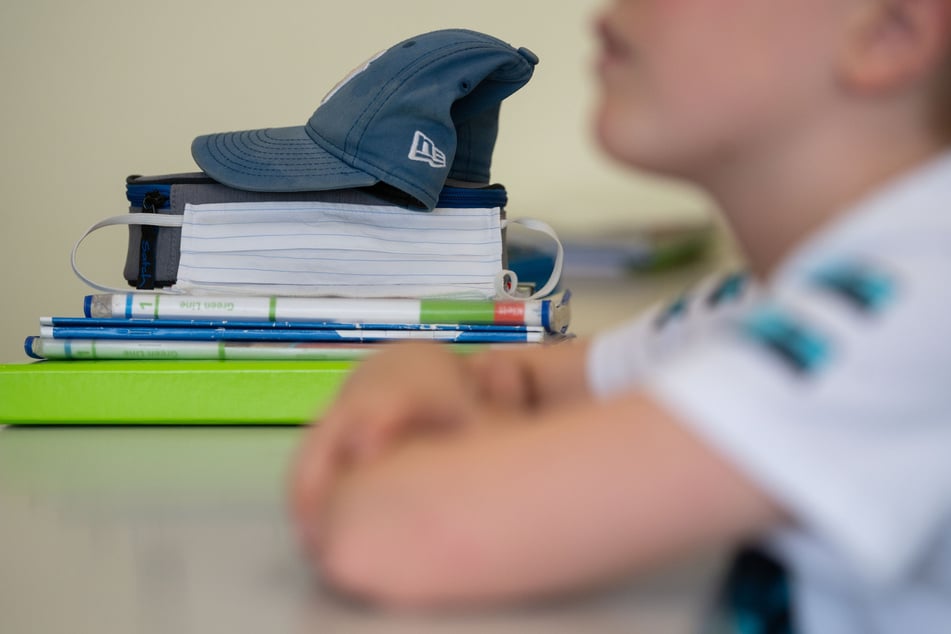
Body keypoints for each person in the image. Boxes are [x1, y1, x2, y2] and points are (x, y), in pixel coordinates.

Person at [289, 0, 951, 631]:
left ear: (887, 31)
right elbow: (521, 383)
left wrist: (388, 446)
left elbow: (397, 533)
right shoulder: (775, 296)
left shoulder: (912, 303)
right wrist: (415, 364)